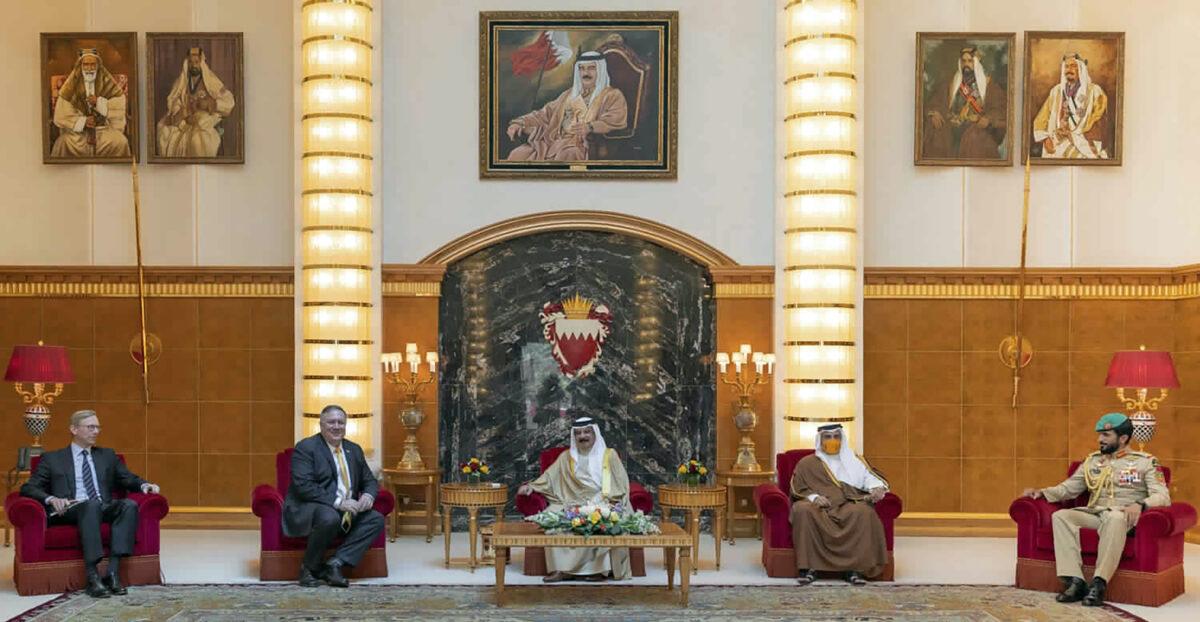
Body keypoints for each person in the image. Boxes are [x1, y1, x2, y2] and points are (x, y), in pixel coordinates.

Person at [1022, 412, 1170, 607]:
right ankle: (1075, 581)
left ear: (1123, 438)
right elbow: (1068, 489)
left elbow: (1163, 496)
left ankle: (1099, 583)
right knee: (1061, 516)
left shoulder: (1145, 462)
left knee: (1116, 518)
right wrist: (1041, 492)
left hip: (1124, 517)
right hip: (1097, 513)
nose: (1100, 439)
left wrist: (1141, 504)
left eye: (1106, 435)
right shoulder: (1092, 461)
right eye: (1100, 434)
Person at [20, 410, 160, 598]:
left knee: (128, 505)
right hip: (71, 508)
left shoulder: (107, 455)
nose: (96, 431)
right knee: (91, 505)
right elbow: (28, 488)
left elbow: (127, 478)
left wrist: (145, 485)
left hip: (103, 506)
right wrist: (51, 499)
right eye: (90, 427)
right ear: (74, 429)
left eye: (97, 427)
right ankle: (92, 576)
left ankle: (112, 572)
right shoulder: (52, 459)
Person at [517, 416, 632, 582]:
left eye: (587, 432)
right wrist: (532, 487)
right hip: (571, 501)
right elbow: (550, 477)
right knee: (554, 523)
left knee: (601, 523)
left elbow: (621, 482)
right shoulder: (566, 457)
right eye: (578, 433)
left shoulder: (609, 455)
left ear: (595, 434)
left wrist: (602, 501)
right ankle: (561, 569)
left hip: (603, 500)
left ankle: (598, 570)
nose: (582, 436)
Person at [283, 404, 384, 588]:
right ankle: (308, 568)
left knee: (375, 518)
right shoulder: (306, 448)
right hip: (312, 506)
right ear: (321, 425)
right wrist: (339, 502)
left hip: (346, 509)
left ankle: (335, 563)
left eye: (341, 422)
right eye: (331, 422)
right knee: (329, 516)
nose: (336, 426)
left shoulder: (353, 449)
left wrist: (368, 495)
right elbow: (303, 487)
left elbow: (369, 480)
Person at [789, 423, 889, 586]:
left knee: (863, 513)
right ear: (820, 440)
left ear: (842, 438)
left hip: (847, 502)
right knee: (802, 510)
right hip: (819, 504)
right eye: (828, 437)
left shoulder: (854, 460)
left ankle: (853, 569)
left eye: (836, 436)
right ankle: (808, 568)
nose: (832, 440)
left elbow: (868, 478)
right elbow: (797, 488)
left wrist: (876, 488)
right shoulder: (807, 463)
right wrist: (814, 498)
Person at [505, 51, 628, 161]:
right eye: (581, 68)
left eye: (591, 68)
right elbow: (544, 114)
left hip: (582, 145)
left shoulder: (612, 95)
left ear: (600, 71)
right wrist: (520, 122)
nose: (585, 73)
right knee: (519, 154)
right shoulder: (569, 94)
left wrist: (590, 127)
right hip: (553, 141)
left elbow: (614, 120)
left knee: (566, 155)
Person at [922, 46, 1007, 159]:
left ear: (976, 63)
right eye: (963, 61)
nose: (966, 64)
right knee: (937, 134)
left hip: (975, 126)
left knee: (974, 139)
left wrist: (988, 119)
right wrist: (934, 112)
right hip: (952, 125)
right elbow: (935, 102)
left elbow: (999, 108)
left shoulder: (989, 85)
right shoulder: (951, 84)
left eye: (970, 61)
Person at [51, 48, 132, 158]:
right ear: (81, 66)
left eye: (93, 65)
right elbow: (61, 115)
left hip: (103, 131)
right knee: (62, 143)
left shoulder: (107, 82)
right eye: (86, 65)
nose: (90, 69)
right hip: (77, 135)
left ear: (98, 66)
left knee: (121, 142)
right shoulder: (70, 86)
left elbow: (119, 103)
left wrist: (99, 103)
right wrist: (83, 121)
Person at [155, 46, 235, 157]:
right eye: (191, 62)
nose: (193, 66)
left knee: (197, 141)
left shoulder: (211, 80)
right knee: (164, 131)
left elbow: (228, 101)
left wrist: (209, 104)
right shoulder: (181, 81)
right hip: (186, 120)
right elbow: (175, 101)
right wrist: (182, 113)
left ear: (201, 63)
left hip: (205, 119)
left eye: (196, 62)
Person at [1031, 53, 1109, 159]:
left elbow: (1100, 122)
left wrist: (1073, 135)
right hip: (1058, 145)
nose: (1069, 70)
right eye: (1066, 66)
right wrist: (1046, 139)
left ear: (1081, 69)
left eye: (1073, 66)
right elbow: (1041, 119)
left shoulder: (1094, 91)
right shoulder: (1056, 91)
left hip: (1083, 146)